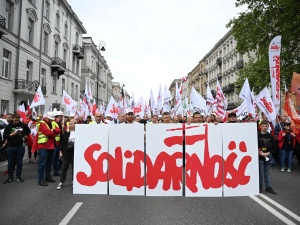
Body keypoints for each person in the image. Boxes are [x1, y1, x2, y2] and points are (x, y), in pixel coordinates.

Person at [3, 113, 31, 183]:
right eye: (15, 120)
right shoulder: (8, 126)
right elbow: (5, 136)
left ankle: (18, 177)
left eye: (18, 120)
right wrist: (12, 134)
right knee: (10, 163)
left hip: (20, 146)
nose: (16, 122)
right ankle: (10, 177)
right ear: (12, 119)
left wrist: (25, 136)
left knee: (19, 163)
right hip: (11, 147)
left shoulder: (22, 125)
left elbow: (28, 131)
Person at [36, 111, 61, 186]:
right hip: (43, 146)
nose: (51, 120)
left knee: (49, 163)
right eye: (50, 119)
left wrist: (53, 131)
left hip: (51, 146)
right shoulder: (42, 124)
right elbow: (48, 133)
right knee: (42, 164)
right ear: (46, 118)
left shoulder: (52, 122)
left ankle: (47, 176)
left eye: (51, 119)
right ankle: (40, 180)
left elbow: (59, 130)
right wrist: (54, 132)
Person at [257, 120, 276, 194]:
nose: (264, 127)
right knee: (261, 173)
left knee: (267, 172)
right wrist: (258, 152)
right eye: (263, 126)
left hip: (267, 156)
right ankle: (260, 186)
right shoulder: (257, 135)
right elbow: (253, 144)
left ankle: (268, 186)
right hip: (260, 156)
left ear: (268, 126)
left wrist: (268, 153)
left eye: (266, 126)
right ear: (260, 126)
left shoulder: (270, 136)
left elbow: (274, 147)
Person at [57, 119, 76, 190]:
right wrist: (61, 151)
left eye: (72, 124)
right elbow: (62, 142)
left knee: (74, 168)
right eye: (70, 124)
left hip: (75, 152)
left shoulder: (79, 133)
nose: (71, 125)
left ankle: (74, 181)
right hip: (66, 152)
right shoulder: (66, 133)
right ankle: (61, 181)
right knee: (64, 167)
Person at [52, 110, 64, 176]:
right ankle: (54, 169)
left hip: (58, 143)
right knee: (54, 158)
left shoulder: (59, 124)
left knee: (57, 158)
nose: (61, 118)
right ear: (56, 117)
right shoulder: (54, 123)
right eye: (60, 117)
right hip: (54, 143)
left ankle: (56, 170)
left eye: (61, 117)